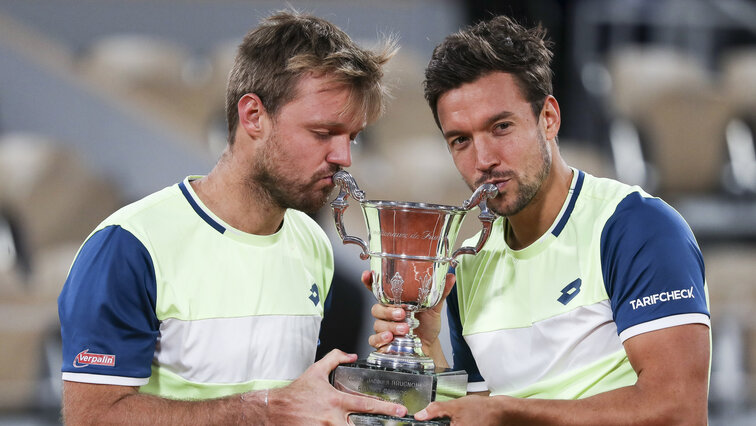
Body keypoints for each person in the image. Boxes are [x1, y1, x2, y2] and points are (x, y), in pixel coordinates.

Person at [57, 10, 408, 424]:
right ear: (253, 116)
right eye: (322, 133)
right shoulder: (129, 244)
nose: (343, 157)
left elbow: (299, 409)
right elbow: (90, 418)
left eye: (351, 137)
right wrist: (263, 410)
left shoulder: (312, 244)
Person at [368, 15, 710, 425]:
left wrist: (507, 411)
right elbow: (477, 412)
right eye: (460, 140)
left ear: (548, 118)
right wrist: (428, 349)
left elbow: (678, 410)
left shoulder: (638, 228)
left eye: (501, 127)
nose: (482, 160)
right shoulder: (469, 263)